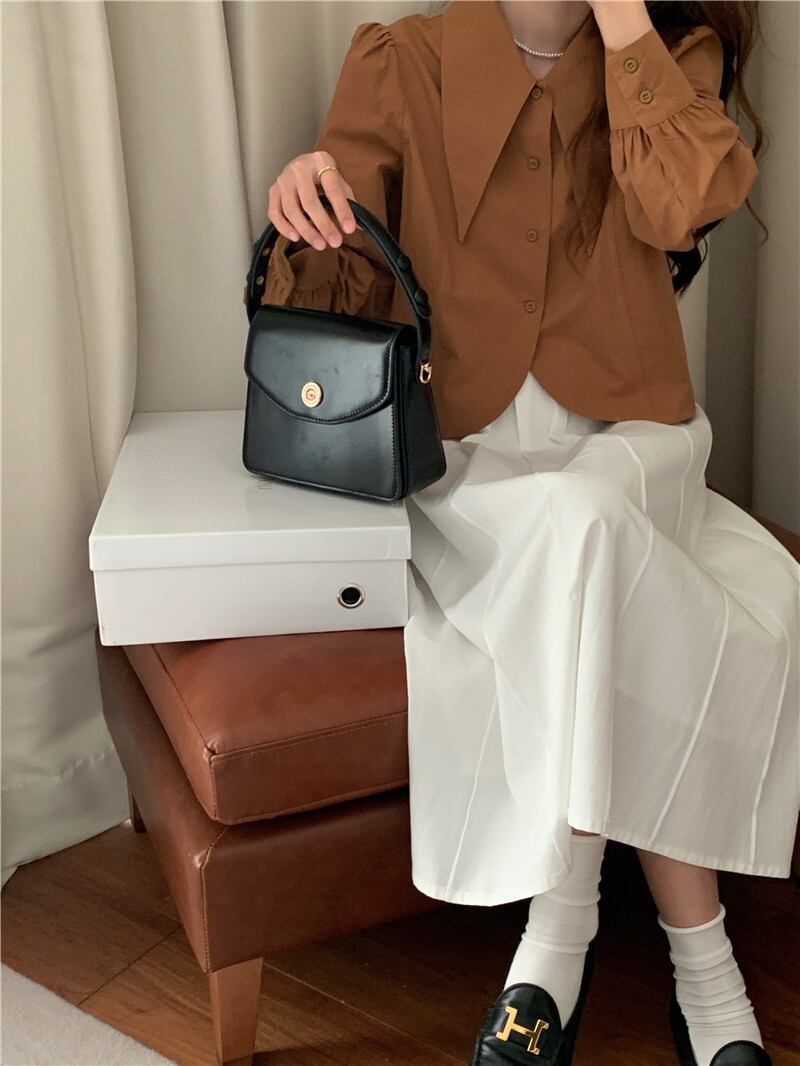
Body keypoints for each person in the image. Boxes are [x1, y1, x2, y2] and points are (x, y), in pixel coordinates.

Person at [259, 2, 800, 1064]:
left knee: (590, 518)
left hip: (634, 444)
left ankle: (556, 942)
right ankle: (704, 972)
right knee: (580, 537)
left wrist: (621, 18)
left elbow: (684, 205)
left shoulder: (667, 56)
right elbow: (338, 294)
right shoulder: (401, 60)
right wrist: (303, 203)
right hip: (473, 466)